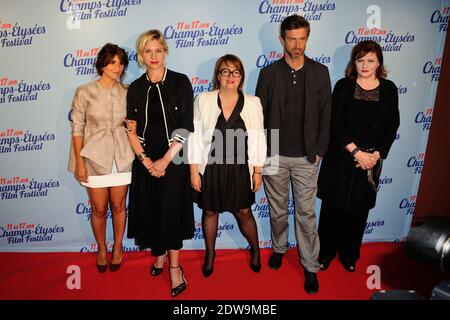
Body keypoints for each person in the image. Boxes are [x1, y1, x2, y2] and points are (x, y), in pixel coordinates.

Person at [255, 14, 331, 294]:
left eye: (301, 39)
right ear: (282, 40)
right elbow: (258, 116)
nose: (297, 45)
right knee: (277, 212)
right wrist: (261, 154)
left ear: (306, 39)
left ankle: (310, 266)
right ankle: (278, 248)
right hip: (274, 155)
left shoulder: (320, 72)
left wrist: (320, 151)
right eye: (292, 39)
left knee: (306, 214)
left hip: (307, 157)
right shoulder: (268, 74)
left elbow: (326, 115)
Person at [317, 40, 400, 273]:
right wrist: (355, 151)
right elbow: (336, 122)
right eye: (360, 60)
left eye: (370, 60)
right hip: (342, 157)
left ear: (379, 63)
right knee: (332, 209)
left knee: (358, 211)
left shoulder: (390, 89)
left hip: (370, 162)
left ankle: (349, 255)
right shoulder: (344, 85)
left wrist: (377, 155)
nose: (365, 65)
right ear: (354, 62)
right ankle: (325, 253)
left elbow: (392, 124)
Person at [126, 30, 194, 298]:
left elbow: (186, 125)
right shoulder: (135, 88)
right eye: (147, 51)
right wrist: (145, 161)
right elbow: (130, 130)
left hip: (173, 159)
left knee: (170, 212)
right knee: (153, 210)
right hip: (145, 161)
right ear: (141, 56)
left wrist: (165, 159)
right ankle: (158, 255)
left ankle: (175, 267)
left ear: (165, 51)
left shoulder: (180, 82)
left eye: (158, 50)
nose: (153, 56)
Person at [189, 54, 266, 278]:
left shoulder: (253, 103)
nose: (230, 76)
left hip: (241, 168)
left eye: (236, 72)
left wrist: (258, 171)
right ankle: (210, 254)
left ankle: (255, 249)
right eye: (225, 71)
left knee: (244, 211)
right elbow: (193, 137)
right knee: (210, 211)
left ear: (241, 76)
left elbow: (260, 138)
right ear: (218, 75)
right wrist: (194, 171)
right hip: (211, 167)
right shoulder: (203, 100)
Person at [68, 43, 134, 273]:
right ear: (102, 63)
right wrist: (79, 162)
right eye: (113, 62)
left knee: (118, 205)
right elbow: (77, 129)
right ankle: (101, 249)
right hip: (93, 156)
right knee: (98, 208)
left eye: (121, 62)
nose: (118, 67)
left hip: (122, 155)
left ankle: (117, 247)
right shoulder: (84, 91)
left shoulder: (128, 91)